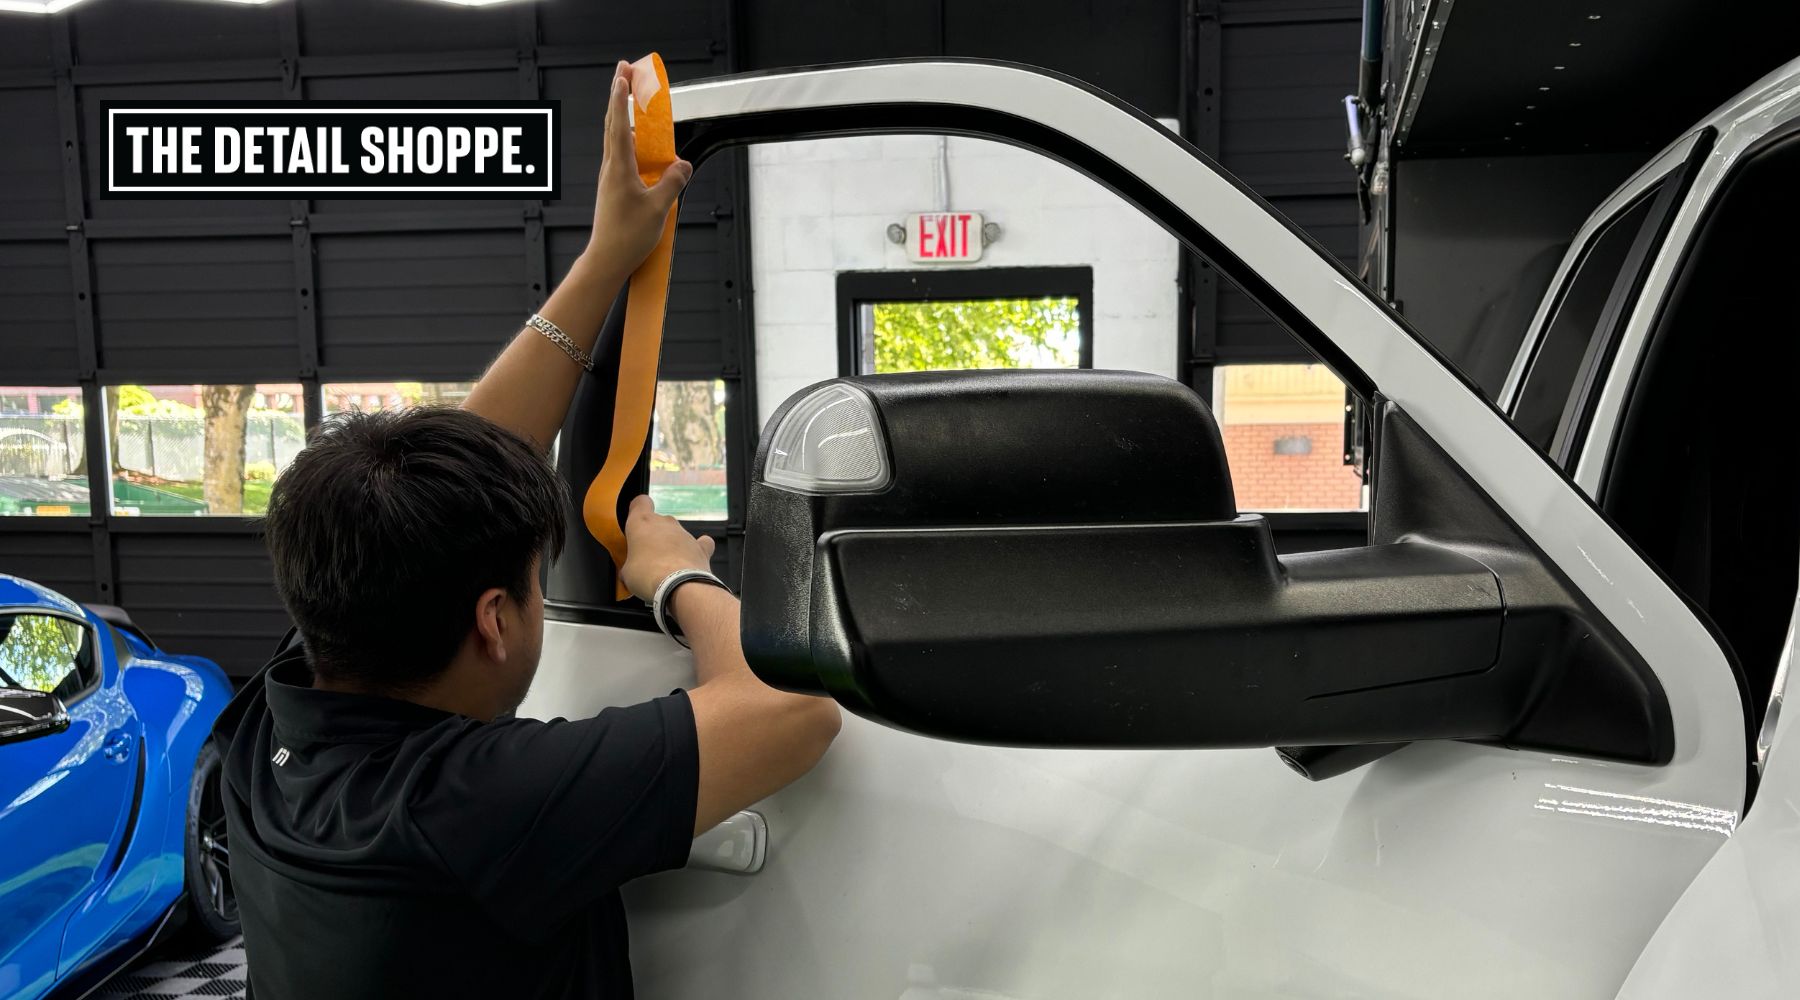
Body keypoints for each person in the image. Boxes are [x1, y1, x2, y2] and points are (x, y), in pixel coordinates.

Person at [213, 61, 841, 1000]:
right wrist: (680, 578)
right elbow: (797, 710)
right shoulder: (471, 806)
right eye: (536, 581)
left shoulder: (277, 716)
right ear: (494, 621)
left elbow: (462, 465)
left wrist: (606, 258)